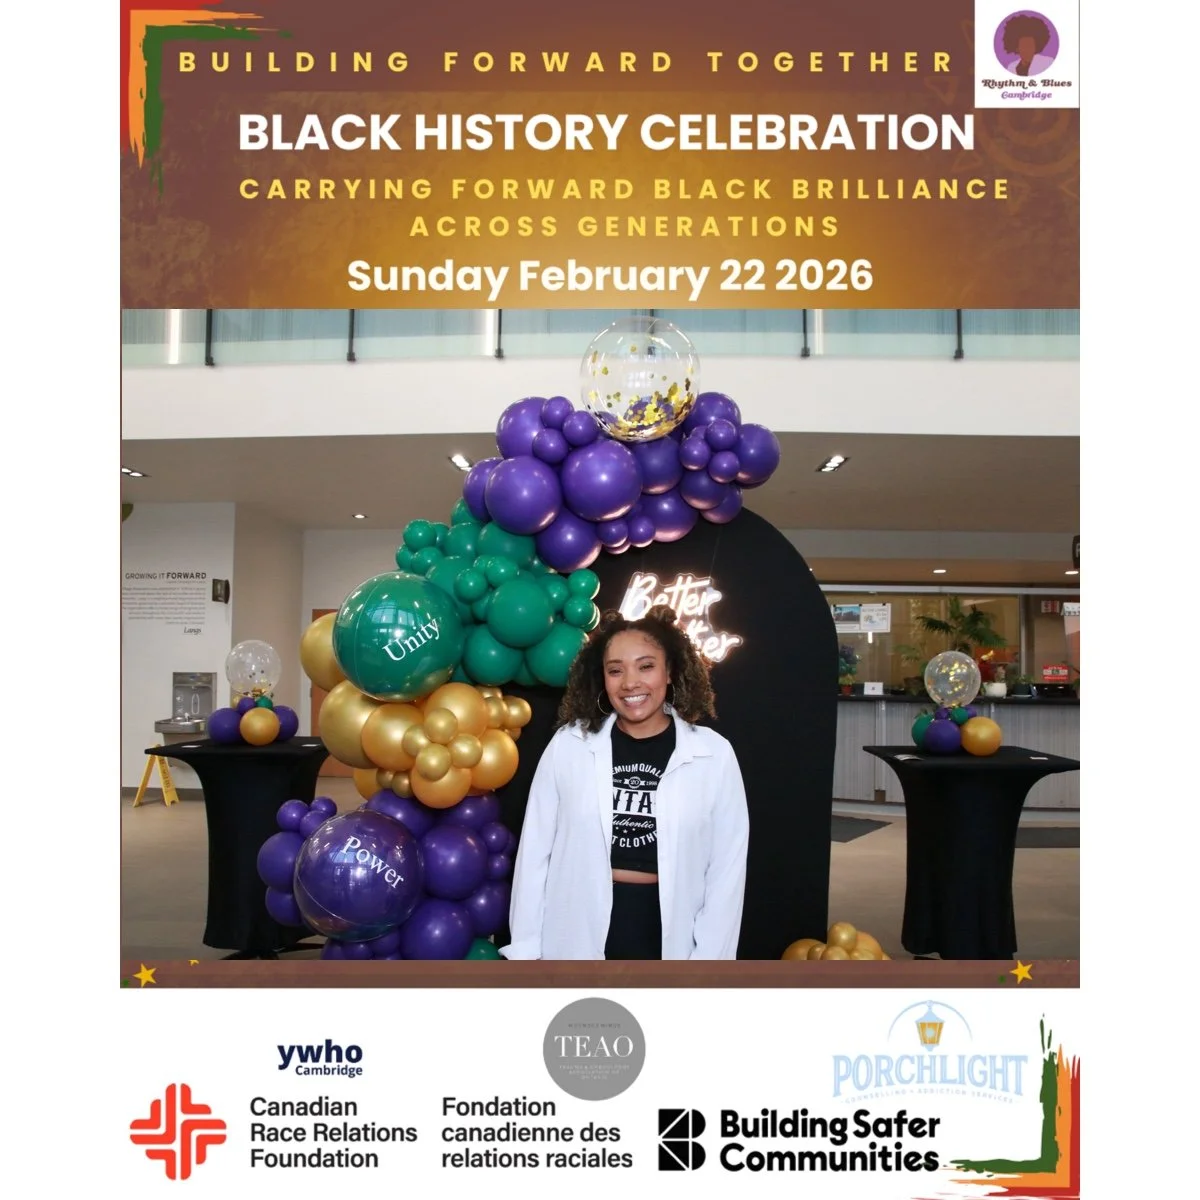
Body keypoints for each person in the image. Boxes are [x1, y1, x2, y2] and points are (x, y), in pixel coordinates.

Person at [500, 605, 749, 961]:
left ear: (670, 671)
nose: (630, 682)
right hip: (574, 925)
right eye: (616, 670)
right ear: (602, 678)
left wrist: (711, 963)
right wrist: (525, 949)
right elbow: (535, 852)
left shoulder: (714, 754)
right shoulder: (569, 745)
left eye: (646, 666)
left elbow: (726, 870)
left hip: (666, 930)